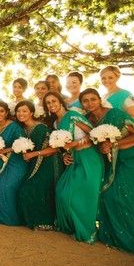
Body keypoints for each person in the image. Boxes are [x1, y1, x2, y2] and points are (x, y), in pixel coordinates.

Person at [80, 88, 134, 255]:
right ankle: (110, 236)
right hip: (114, 161)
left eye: (93, 99)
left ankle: (131, 242)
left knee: (126, 197)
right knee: (107, 195)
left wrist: (113, 144)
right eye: (85, 101)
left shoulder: (116, 114)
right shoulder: (91, 120)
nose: (89, 103)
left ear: (99, 99)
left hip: (133, 158)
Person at [44, 91, 104, 243]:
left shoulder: (72, 116)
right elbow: (62, 146)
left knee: (80, 195)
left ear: (61, 101)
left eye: (54, 101)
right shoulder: (56, 123)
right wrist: (65, 155)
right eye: (48, 103)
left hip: (89, 158)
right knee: (62, 191)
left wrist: (76, 144)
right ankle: (69, 225)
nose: (51, 105)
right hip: (74, 159)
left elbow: (94, 135)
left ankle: (87, 230)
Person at [18, 100, 61, 230]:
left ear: (31, 112)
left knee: (32, 188)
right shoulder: (24, 129)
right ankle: (32, 220)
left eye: (24, 111)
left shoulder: (41, 127)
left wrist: (33, 154)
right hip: (34, 163)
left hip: (48, 164)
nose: (21, 113)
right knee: (25, 189)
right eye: (19, 111)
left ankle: (45, 222)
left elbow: (54, 149)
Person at [0, 101, 27, 226]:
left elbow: (22, 144)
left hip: (16, 160)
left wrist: (5, 150)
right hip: (2, 160)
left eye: (2, 111)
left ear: (7, 112)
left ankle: (9, 218)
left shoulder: (14, 126)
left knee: (6, 187)